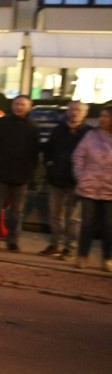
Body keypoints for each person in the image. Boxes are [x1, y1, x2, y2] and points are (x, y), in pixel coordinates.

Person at [0, 96, 40, 252]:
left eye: (23, 104)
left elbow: (34, 154)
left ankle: (13, 240)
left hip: (21, 176)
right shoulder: (1, 124)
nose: (19, 107)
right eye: (17, 104)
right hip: (0, 174)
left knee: (16, 213)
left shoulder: (33, 128)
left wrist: (30, 173)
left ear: (29, 108)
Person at [40, 101, 90, 260]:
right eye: (72, 109)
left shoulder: (89, 134)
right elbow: (48, 150)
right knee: (55, 215)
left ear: (85, 114)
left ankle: (70, 248)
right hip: (57, 180)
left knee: (73, 218)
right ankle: (55, 244)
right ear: (68, 111)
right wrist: (49, 165)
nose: (75, 112)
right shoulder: (58, 130)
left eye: (79, 110)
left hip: (76, 182)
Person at [71, 106, 112, 274]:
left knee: (109, 226)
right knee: (86, 224)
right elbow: (78, 155)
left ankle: (107, 258)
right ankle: (82, 255)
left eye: (106, 117)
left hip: (109, 189)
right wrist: (80, 175)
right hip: (89, 186)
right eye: (101, 116)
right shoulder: (91, 135)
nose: (102, 119)